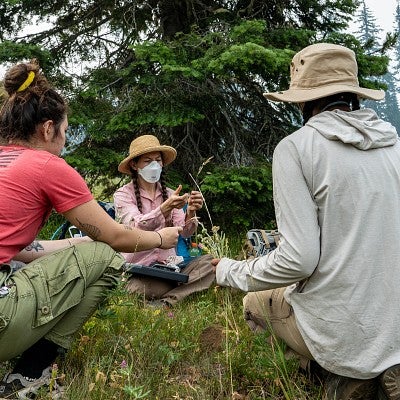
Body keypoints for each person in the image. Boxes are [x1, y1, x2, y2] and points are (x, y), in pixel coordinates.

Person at [212, 43, 400, 400]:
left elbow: (299, 260)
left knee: (254, 305)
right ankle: (384, 366)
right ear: (354, 95)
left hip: (344, 330)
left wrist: (228, 271)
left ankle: (325, 372)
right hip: (396, 328)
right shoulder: (394, 147)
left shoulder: (296, 148)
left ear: (303, 101)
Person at [0, 60, 181, 399]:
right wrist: (161, 237)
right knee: (106, 258)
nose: (64, 142)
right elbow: (115, 237)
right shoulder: (46, 165)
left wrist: (77, 244)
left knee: (87, 249)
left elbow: (20, 249)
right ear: (48, 128)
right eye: (66, 133)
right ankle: (31, 375)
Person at [113, 134, 215, 307]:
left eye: (157, 160)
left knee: (211, 264)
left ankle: (166, 302)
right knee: (136, 287)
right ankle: (178, 291)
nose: (154, 165)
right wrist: (163, 209)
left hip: (170, 267)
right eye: (147, 161)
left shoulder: (169, 193)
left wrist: (190, 212)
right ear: (134, 165)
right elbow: (135, 226)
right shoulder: (123, 194)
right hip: (140, 268)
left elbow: (184, 233)